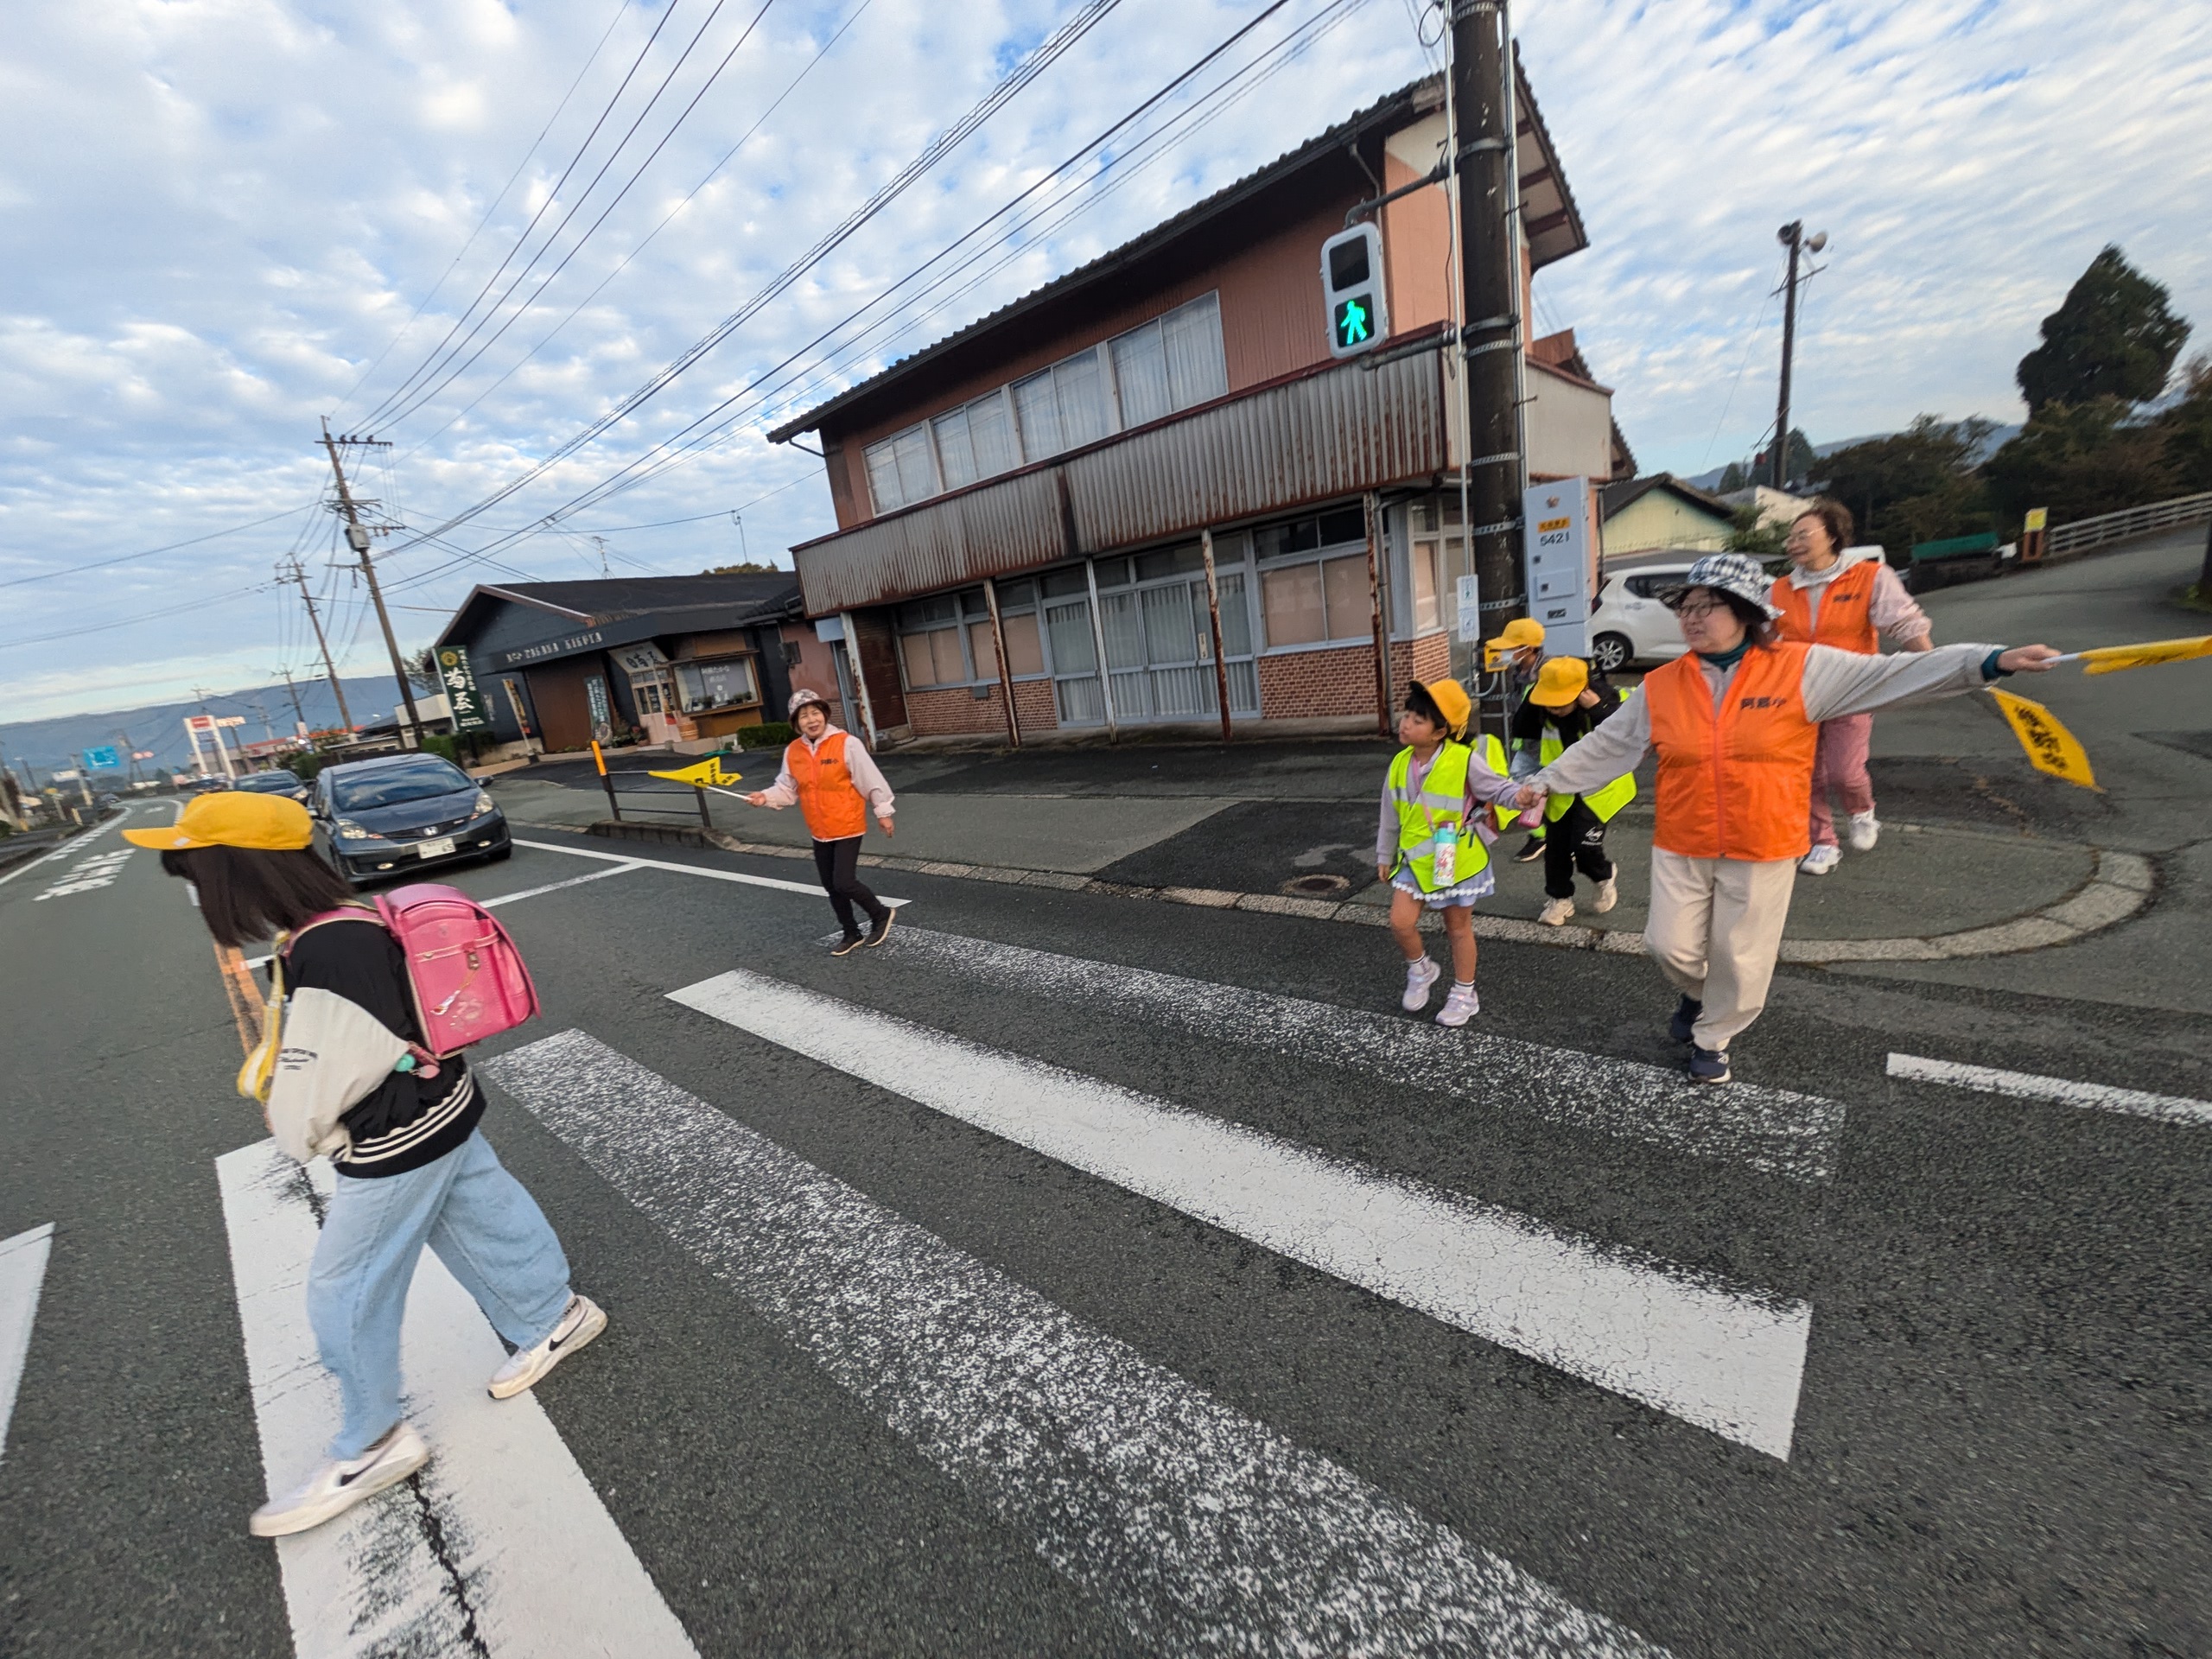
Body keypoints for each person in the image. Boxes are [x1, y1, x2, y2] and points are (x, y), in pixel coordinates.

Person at [126, 791, 603, 1537]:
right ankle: (555, 1315)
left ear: (239, 872)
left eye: (198, 875)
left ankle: (372, 1440)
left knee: (346, 1285)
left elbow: (329, 1073)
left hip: (394, 1131)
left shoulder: (324, 950)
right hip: (443, 1098)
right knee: (481, 1209)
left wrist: (299, 1128)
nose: (196, 892)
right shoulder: (342, 919)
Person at [1517, 553, 2058, 1084]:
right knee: (1668, 946)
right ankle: (1700, 994)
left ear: (1745, 611)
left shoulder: (1802, 667)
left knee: (1741, 955)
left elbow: (1892, 674)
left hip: (1765, 839)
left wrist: (1989, 661)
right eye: (1685, 606)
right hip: (1684, 837)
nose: (1691, 617)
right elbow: (1609, 744)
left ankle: (1712, 1038)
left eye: (1706, 606)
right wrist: (1544, 781)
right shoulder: (1662, 684)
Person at [1771, 498, 1934, 875]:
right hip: (1798, 691)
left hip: (1852, 687)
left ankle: (1861, 811)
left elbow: (1904, 622)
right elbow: (1763, 638)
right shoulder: (1779, 589)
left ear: (1832, 536)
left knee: (1844, 771)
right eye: (1790, 537)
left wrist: (1933, 666)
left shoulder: (1870, 576)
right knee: (1805, 772)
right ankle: (1822, 842)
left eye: (1803, 535)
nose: (1793, 543)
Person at [1379, 677, 1527, 1027]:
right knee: (1400, 922)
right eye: (1407, 716)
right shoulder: (1399, 763)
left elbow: (1497, 788)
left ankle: (1464, 993)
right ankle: (1421, 969)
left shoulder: (1464, 759)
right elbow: (1389, 813)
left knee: (1458, 929)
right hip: (1415, 859)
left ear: (1440, 732)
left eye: (1418, 720)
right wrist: (1384, 854)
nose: (1406, 724)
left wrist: (1520, 796)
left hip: (1455, 859)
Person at [746, 688, 897, 954]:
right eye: (804, 716)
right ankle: (851, 932)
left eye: (815, 713)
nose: (811, 720)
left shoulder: (847, 743)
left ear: (825, 714)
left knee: (844, 882)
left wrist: (883, 812)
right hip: (819, 829)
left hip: (847, 824)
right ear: (796, 723)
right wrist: (764, 797)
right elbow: (787, 789)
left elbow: (870, 779)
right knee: (831, 886)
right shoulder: (794, 751)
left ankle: (880, 913)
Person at [1507, 655, 1633, 926]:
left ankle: (1603, 874)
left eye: (1560, 702)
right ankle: (1560, 898)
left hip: (1598, 791)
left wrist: (1598, 709)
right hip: (1559, 790)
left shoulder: (1608, 701)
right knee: (1556, 848)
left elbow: (1626, 736)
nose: (1553, 708)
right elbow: (1523, 735)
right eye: (1548, 701)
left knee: (1585, 847)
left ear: (1582, 692)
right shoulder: (1540, 710)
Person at [1483, 617, 1552, 863]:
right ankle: (1540, 835)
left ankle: (1558, 838)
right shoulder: (1519, 671)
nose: (1506, 652)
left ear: (1529, 648)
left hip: (1551, 744)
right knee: (1522, 786)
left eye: (1511, 647)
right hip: (1528, 743)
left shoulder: (1549, 671)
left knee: (1557, 791)